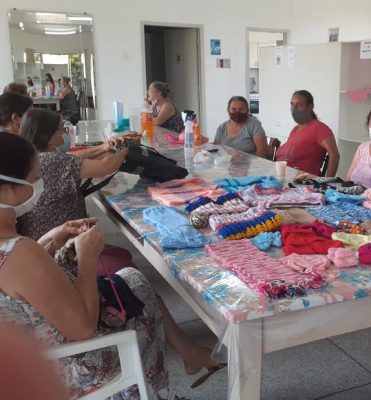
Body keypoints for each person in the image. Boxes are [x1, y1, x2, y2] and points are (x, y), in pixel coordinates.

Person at [0, 133, 222, 398]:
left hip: (31, 349)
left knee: (131, 278)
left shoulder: (14, 249)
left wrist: (48, 241)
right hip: (61, 367)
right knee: (139, 298)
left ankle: (187, 356)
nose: (41, 185)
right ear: (9, 189)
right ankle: (143, 391)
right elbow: (83, 328)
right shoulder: (20, 252)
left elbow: (20, 281)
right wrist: (87, 258)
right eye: (36, 178)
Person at [17, 109, 133, 277]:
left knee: (123, 254)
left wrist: (103, 148)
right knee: (126, 264)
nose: (65, 133)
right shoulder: (53, 160)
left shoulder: (31, 156)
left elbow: (73, 158)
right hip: (60, 246)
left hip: (39, 237)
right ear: (46, 135)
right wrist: (125, 150)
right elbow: (106, 167)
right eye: (61, 129)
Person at [275, 90, 340, 176]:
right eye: (292, 104)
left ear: (310, 107)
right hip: (282, 176)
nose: (294, 109)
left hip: (302, 180)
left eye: (299, 105)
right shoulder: (295, 130)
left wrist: (328, 181)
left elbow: (334, 155)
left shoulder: (319, 128)